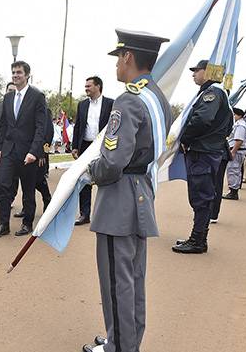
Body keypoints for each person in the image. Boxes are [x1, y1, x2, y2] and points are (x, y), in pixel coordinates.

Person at [82, 29, 172, 352]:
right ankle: (126, 341)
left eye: (118, 58)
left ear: (128, 57)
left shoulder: (128, 100)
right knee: (133, 282)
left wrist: (86, 172)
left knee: (117, 283)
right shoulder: (158, 98)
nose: (117, 65)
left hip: (118, 202)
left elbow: (112, 162)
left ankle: (119, 347)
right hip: (141, 197)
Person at [172, 59, 233, 254]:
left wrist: (186, 138)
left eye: (196, 70)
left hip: (203, 152)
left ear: (207, 72)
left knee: (201, 198)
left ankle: (198, 240)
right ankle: (198, 237)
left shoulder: (212, 92)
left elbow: (202, 119)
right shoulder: (217, 92)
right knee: (202, 196)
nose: (193, 74)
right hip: (207, 150)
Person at [0, 61, 47, 238]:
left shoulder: (37, 96)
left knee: (28, 189)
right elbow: (3, 126)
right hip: (8, 151)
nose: (15, 75)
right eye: (13, 72)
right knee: (3, 186)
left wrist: (34, 151)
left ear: (27, 75)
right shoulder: (7, 98)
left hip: (28, 153)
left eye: (19, 72)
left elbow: (40, 127)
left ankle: (27, 223)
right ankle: (2, 225)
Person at [71, 76, 114, 225]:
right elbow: (78, 126)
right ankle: (85, 214)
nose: (86, 88)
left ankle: (106, 213)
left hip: (103, 147)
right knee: (84, 180)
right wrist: (75, 146)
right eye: (85, 86)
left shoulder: (111, 104)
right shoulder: (82, 105)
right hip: (85, 146)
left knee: (105, 179)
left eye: (89, 86)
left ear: (98, 87)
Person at [13, 106, 54, 218]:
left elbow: (48, 133)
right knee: (25, 181)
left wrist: (43, 153)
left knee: (39, 180)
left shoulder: (45, 111)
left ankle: (47, 199)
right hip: (25, 151)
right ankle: (26, 208)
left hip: (39, 154)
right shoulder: (26, 109)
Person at [222, 107, 246, 200]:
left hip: (237, 150)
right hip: (238, 150)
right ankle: (233, 191)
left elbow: (239, 140)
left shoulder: (240, 126)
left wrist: (233, 152)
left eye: (234, 114)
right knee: (235, 170)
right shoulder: (239, 124)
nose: (233, 116)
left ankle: (233, 192)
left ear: (239, 115)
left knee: (233, 170)